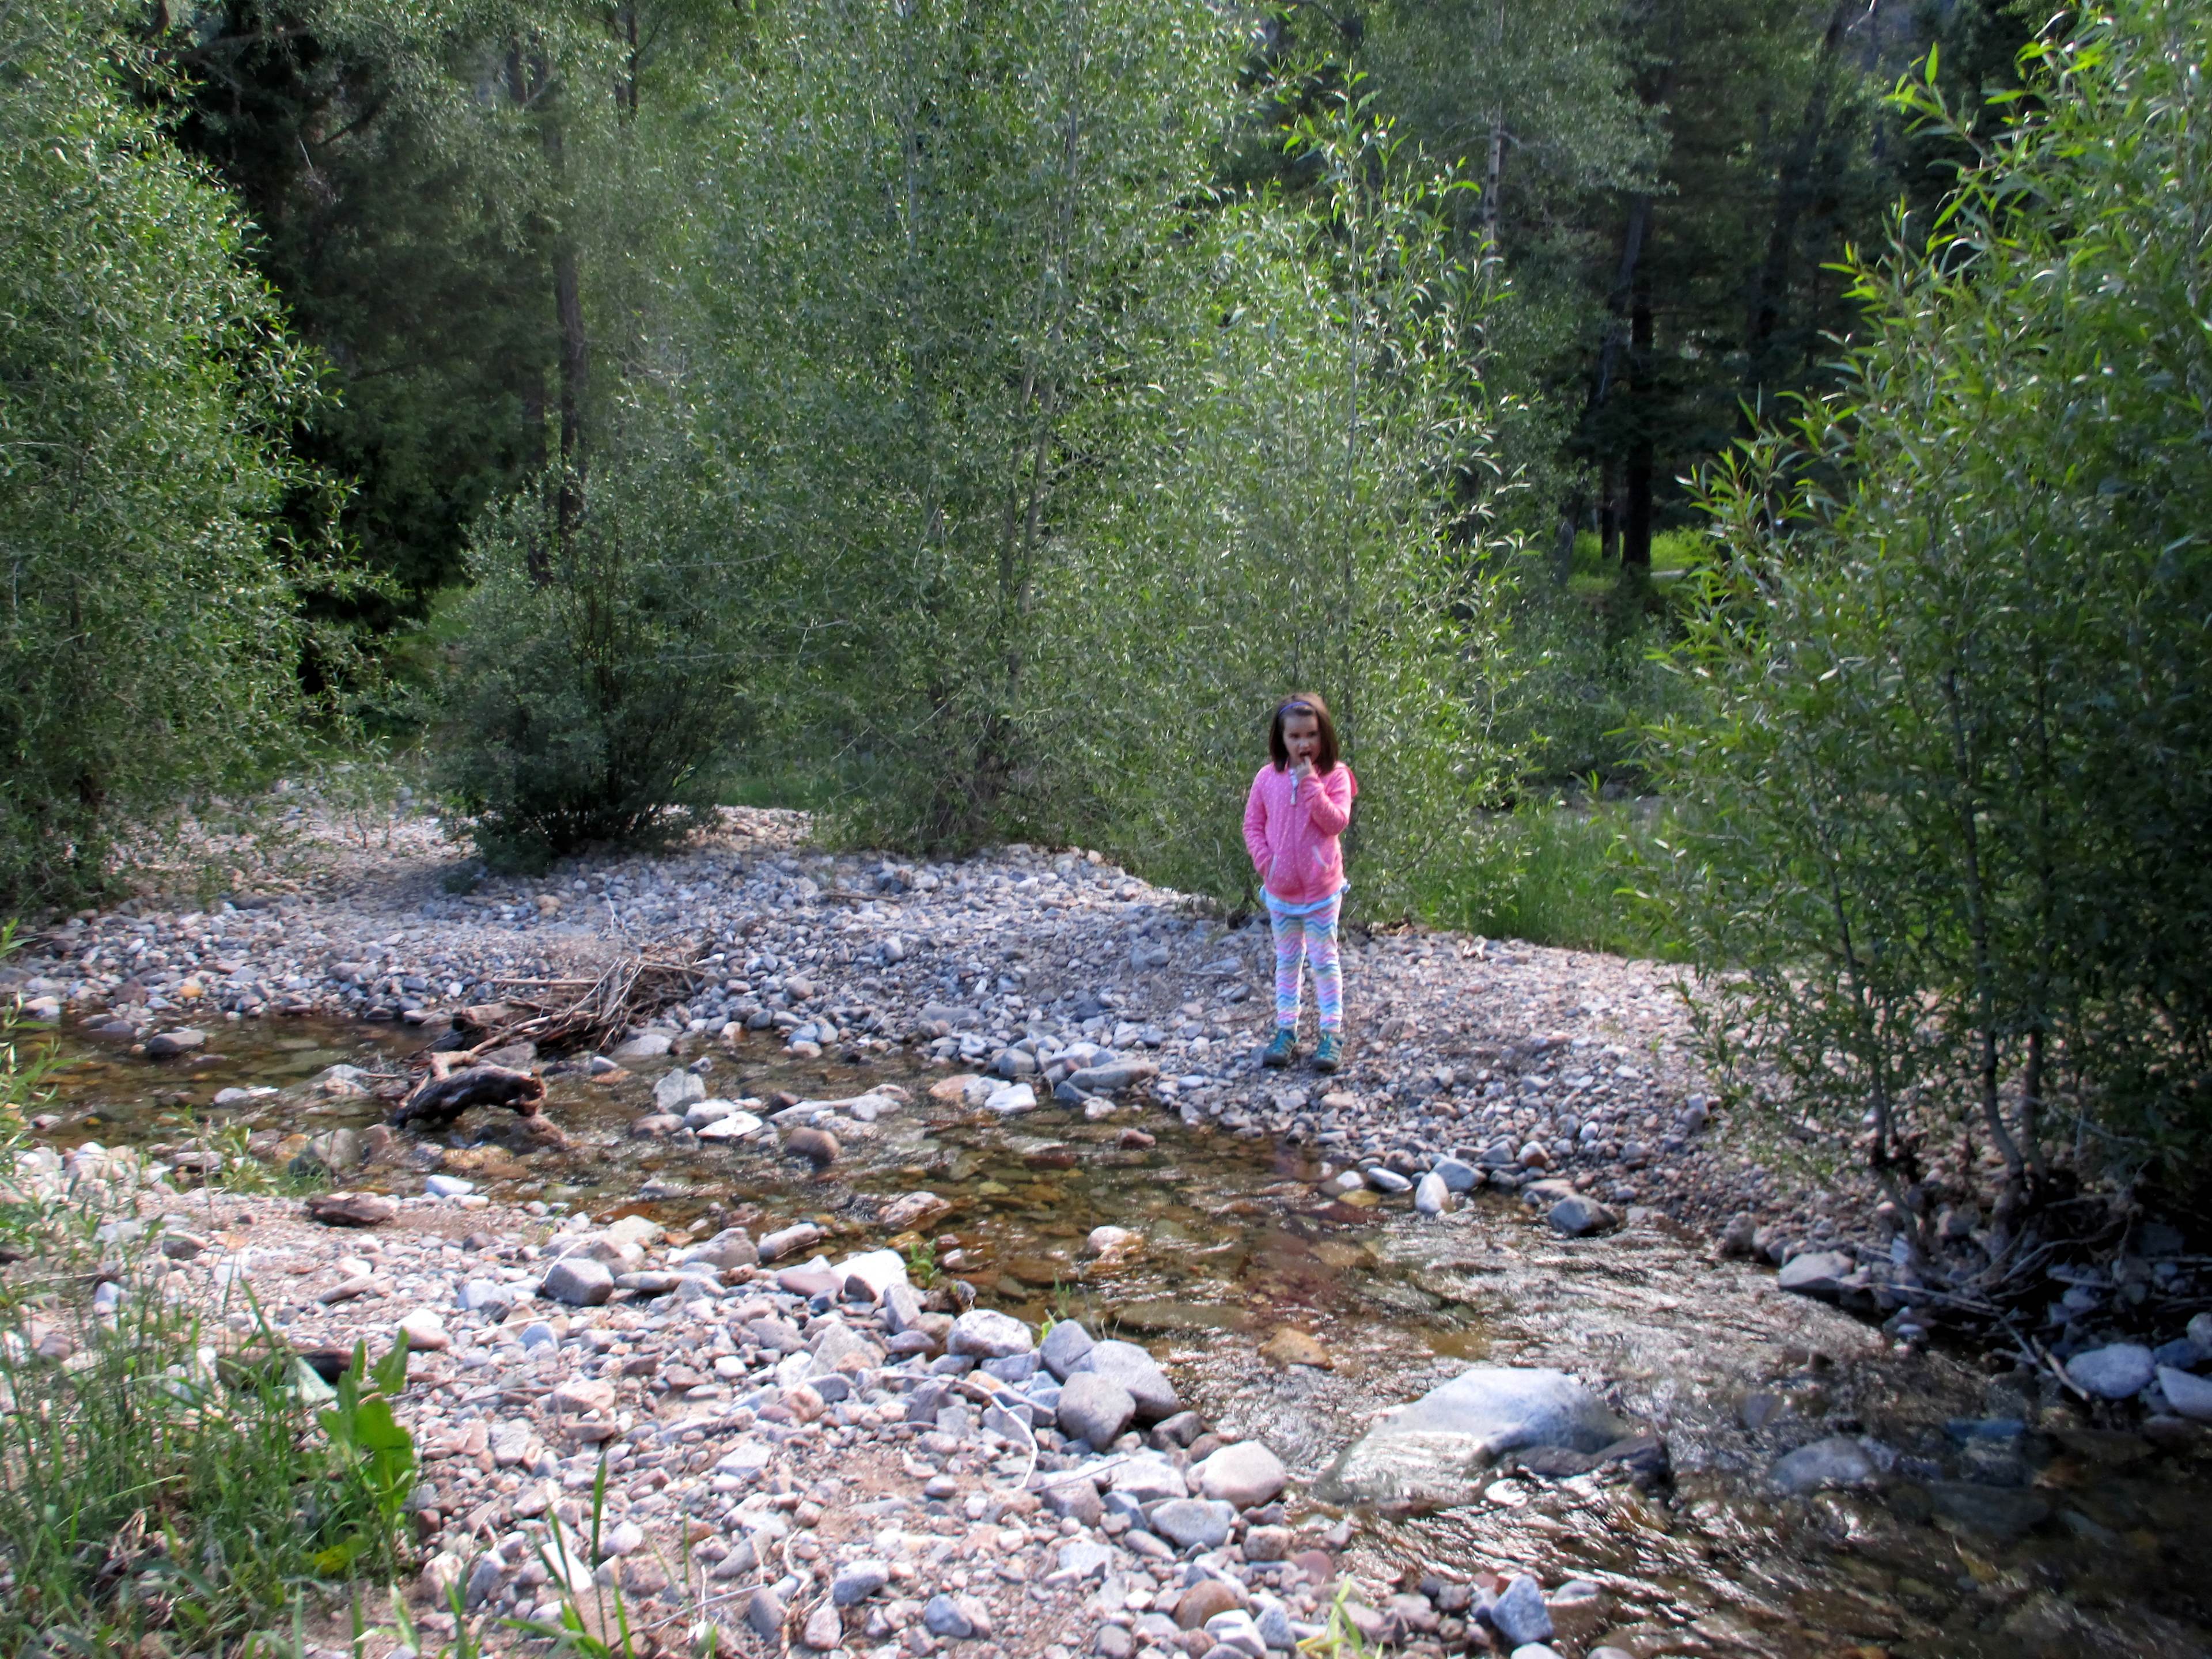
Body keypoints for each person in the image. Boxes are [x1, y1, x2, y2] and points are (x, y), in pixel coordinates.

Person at [1243, 692, 1357, 1073]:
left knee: (1324, 960)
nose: (1303, 744)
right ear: (1282, 739)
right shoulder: (1267, 778)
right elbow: (1252, 825)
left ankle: (1331, 1033)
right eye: (1294, 737)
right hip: (1281, 892)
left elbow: (1336, 821)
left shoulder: (1336, 775)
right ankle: (1286, 1029)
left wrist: (1311, 786)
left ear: (1324, 735)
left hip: (1322, 890)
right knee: (1288, 961)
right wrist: (1266, 863)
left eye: (1311, 735)